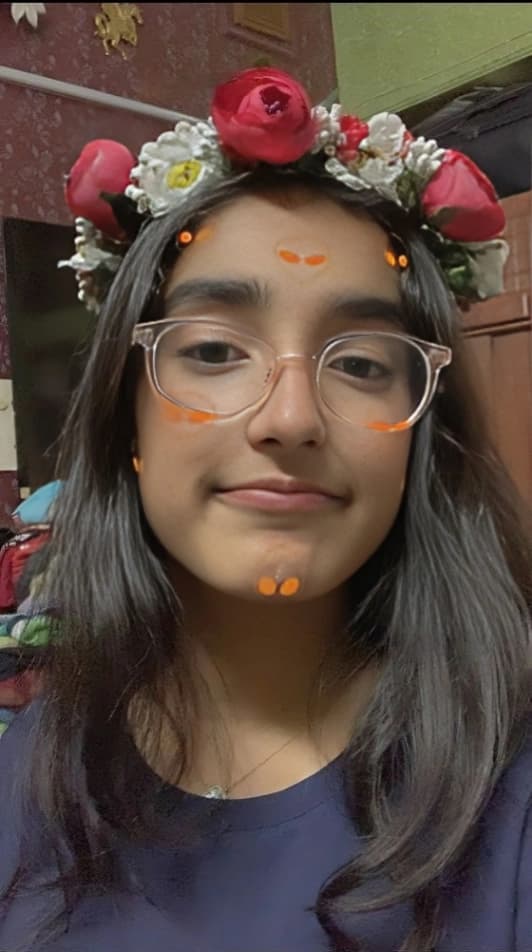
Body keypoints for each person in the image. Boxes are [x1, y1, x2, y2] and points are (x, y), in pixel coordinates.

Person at [0, 67, 530, 952]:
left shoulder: (508, 800)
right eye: (214, 350)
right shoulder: (33, 773)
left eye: (360, 363)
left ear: (421, 439)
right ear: (126, 417)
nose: (289, 418)